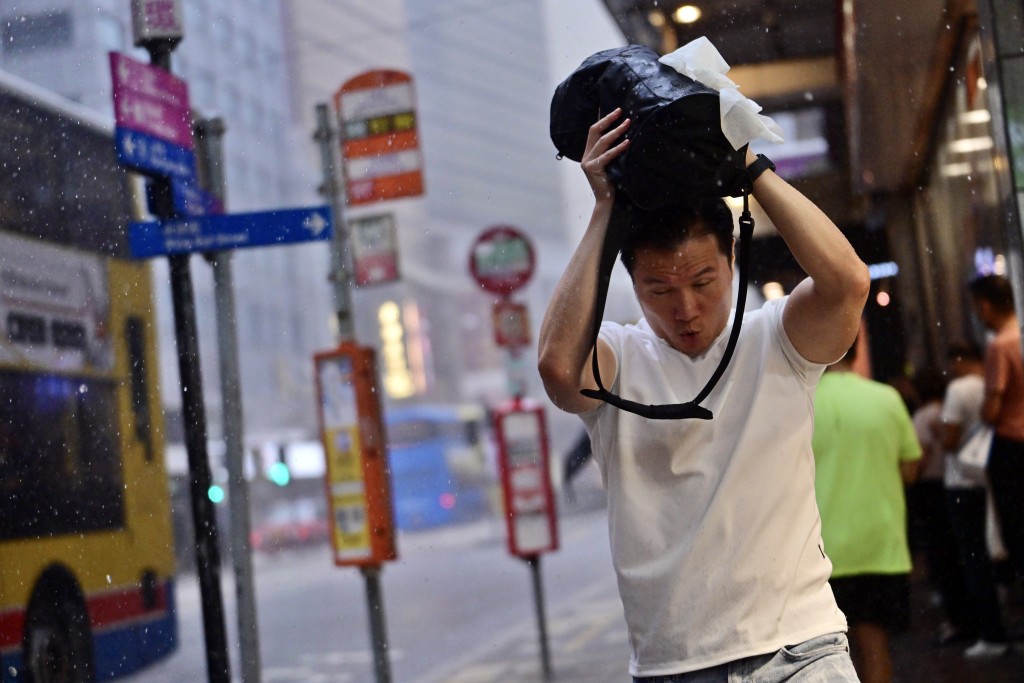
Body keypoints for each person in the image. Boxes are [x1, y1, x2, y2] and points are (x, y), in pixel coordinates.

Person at [538, 108, 869, 680]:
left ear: (733, 259)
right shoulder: (619, 359)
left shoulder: (777, 338)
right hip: (676, 666)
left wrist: (750, 168)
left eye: (702, 282)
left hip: (800, 650)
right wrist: (604, 209)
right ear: (632, 283)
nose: (684, 308)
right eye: (659, 289)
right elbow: (560, 370)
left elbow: (848, 284)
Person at [811, 344, 922, 683]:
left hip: (820, 550)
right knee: (875, 648)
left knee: (829, 658)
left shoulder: (803, 401)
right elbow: (910, 469)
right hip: (880, 545)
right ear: (856, 352)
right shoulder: (887, 397)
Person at [940, 340, 1010, 658]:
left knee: (973, 558)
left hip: (962, 481)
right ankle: (1000, 621)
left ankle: (990, 633)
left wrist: (940, 434)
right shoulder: (990, 384)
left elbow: (950, 439)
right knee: (994, 549)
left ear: (960, 359)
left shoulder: (958, 390)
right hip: (989, 475)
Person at [970, 274, 1024, 582]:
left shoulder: (999, 346)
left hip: (1011, 447)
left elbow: (992, 408)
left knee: (1016, 527)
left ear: (986, 305)